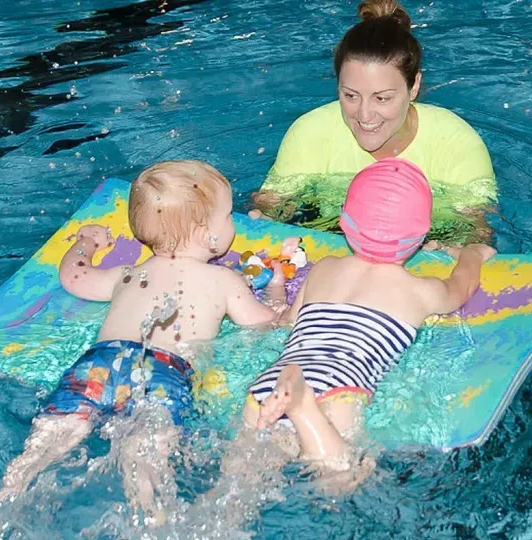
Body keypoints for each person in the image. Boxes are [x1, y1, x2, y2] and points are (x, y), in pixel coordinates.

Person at [0, 160, 282, 521]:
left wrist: (86, 241)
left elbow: (74, 277)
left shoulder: (128, 274)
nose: (234, 223)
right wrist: (275, 287)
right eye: (228, 215)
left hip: (100, 362)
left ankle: (12, 485)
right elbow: (265, 324)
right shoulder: (224, 281)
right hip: (164, 372)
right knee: (145, 463)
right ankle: (151, 518)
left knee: (49, 440)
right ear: (205, 233)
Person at [244, 158, 496, 471]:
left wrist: (276, 289)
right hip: (340, 386)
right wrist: (472, 253)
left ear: (345, 223)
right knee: (342, 477)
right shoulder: (420, 291)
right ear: (420, 235)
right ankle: (303, 408)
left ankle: (296, 404)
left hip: (271, 381)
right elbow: (463, 286)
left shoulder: (324, 270)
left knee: (247, 474)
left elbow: (285, 322)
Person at [250, 0, 496, 243]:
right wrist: (263, 220)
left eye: (382, 98)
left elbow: (476, 233)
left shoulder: (457, 145)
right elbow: (270, 208)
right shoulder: (310, 134)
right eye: (350, 95)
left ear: (414, 87)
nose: (364, 115)